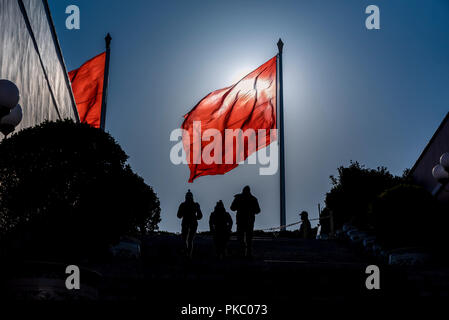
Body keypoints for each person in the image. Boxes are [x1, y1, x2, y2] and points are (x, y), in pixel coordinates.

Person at [230, 186, 260, 257]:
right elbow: (258, 210)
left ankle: (241, 253)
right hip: (250, 221)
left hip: (241, 221)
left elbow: (232, 208)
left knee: (240, 238)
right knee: (249, 239)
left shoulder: (238, 198)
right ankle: (248, 253)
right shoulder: (253, 199)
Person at [177, 189, 202, 257]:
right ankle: (188, 255)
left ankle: (187, 254)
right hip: (192, 223)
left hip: (187, 222)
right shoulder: (195, 204)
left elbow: (179, 216)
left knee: (186, 239)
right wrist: (195, 217)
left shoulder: (183, 204)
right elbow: (200, 216)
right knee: (190, 240)